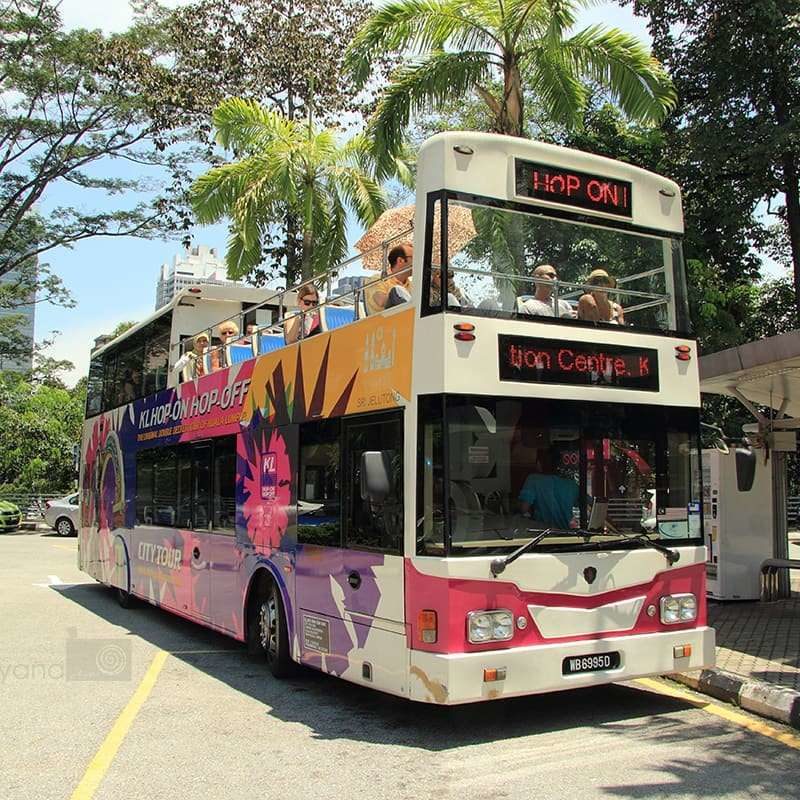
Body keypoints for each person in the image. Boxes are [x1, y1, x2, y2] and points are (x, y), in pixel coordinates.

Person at [518, 453, 580, 531]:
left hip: (541, 537)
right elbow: (589, 506)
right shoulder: (571, 484)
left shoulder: (533, 480)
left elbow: (523, 508)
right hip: (566, 536)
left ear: (538, 463)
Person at [365, 243, 413, 314]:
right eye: (415, 258)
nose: (419, 261)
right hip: (383, 323)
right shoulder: (378, 279)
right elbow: (380, 300)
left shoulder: (412, 285)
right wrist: (397, 294)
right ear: (400, 261)